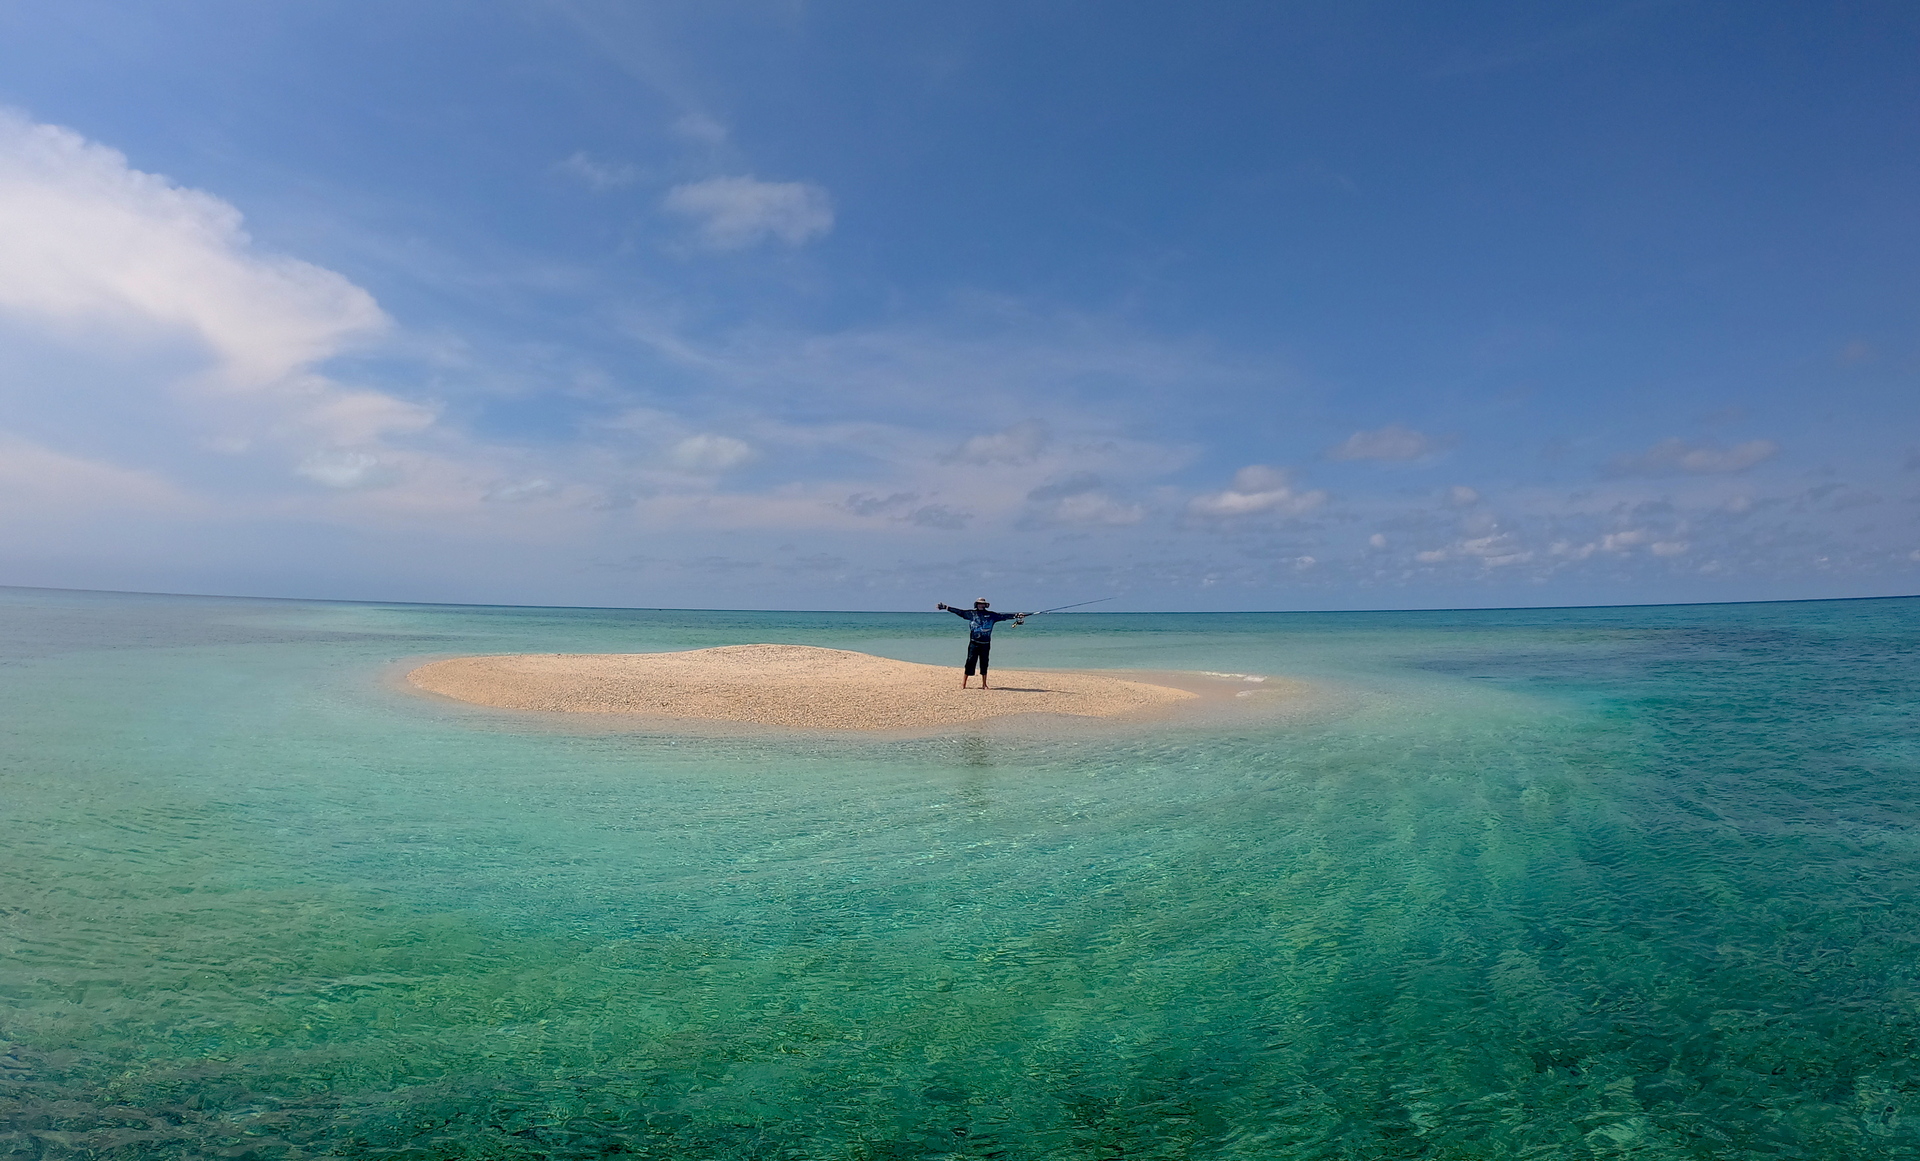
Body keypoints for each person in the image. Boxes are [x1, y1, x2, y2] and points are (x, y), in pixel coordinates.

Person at [936, 598, 1026, 688]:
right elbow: (959, 612)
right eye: (979, 604)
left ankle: (984, 684)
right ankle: (963, 683)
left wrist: (1017, 615)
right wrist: (945, 607)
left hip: (985, 644)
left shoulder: (991, 615)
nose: (981, 605)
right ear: (976, 604)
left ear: (985, 605)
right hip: (974, 643)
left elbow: (1003, 616)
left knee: (984, 663)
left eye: (983, 604)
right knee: (970, 662)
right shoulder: (971, 614)